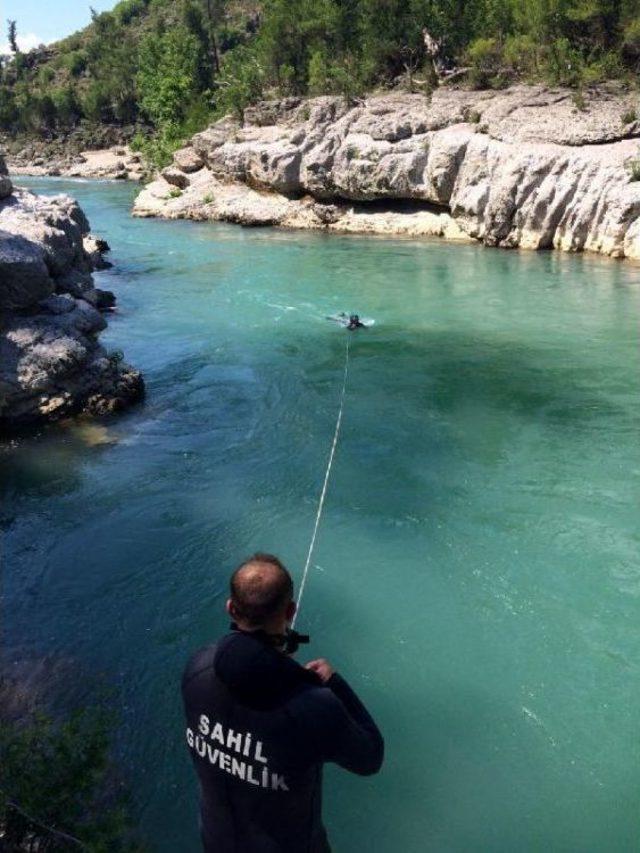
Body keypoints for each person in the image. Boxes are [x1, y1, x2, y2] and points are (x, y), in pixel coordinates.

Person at [182, 553, 384, 852]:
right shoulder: (312, 705)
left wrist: (273, 661)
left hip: (217, 842)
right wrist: (335, 684)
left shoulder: (197, 668)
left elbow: (245, 683)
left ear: (229, 608)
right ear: (290, 610)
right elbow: (370, 757)